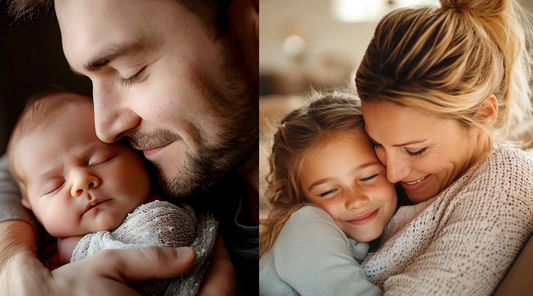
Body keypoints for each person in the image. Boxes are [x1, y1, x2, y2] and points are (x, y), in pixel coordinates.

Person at [1, 0, 258, 295]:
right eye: (90, 82)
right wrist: (14, 265)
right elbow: (14, 167)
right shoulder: (151, 154)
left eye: (130, 72)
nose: (104, 129)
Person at [351, 0, 533, 294]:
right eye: (377, 143)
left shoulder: (507, 180)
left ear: (484, 115)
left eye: (416, 150)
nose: (393, 173)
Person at [8, 92, 218, 296]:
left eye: (100, 160)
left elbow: (163, 247)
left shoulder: (163, 218)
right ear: (31, 208)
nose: (81, 182)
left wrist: (78, 252)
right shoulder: (39, 255)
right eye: (54, 186)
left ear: (139, 154)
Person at [259, 90, 396, 295]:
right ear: (299, 198)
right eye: (328, 191)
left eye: (368, 177)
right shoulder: (305, 227)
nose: (356, 201)